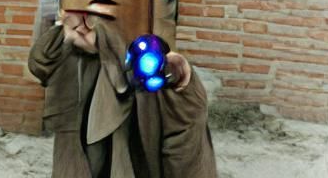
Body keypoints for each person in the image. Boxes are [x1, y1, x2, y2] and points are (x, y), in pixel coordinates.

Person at [29, 11, 217, 178]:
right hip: (89, 105)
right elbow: (40, 64)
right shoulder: (71, 42)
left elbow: (183, 139)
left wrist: (104, 42)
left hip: (144, 80)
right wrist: (66, 33)